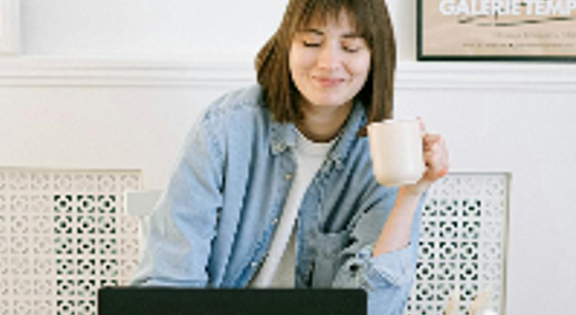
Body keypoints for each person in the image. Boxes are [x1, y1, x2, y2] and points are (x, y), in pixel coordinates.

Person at [131, 0, 449, 314]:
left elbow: (374, 309)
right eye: (311, 42)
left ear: (375, 58)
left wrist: (410, 195)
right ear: (287, 45)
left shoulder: (387, 152)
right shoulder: (225, 128)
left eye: (350, 47)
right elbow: (169, 284)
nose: (328, 62)